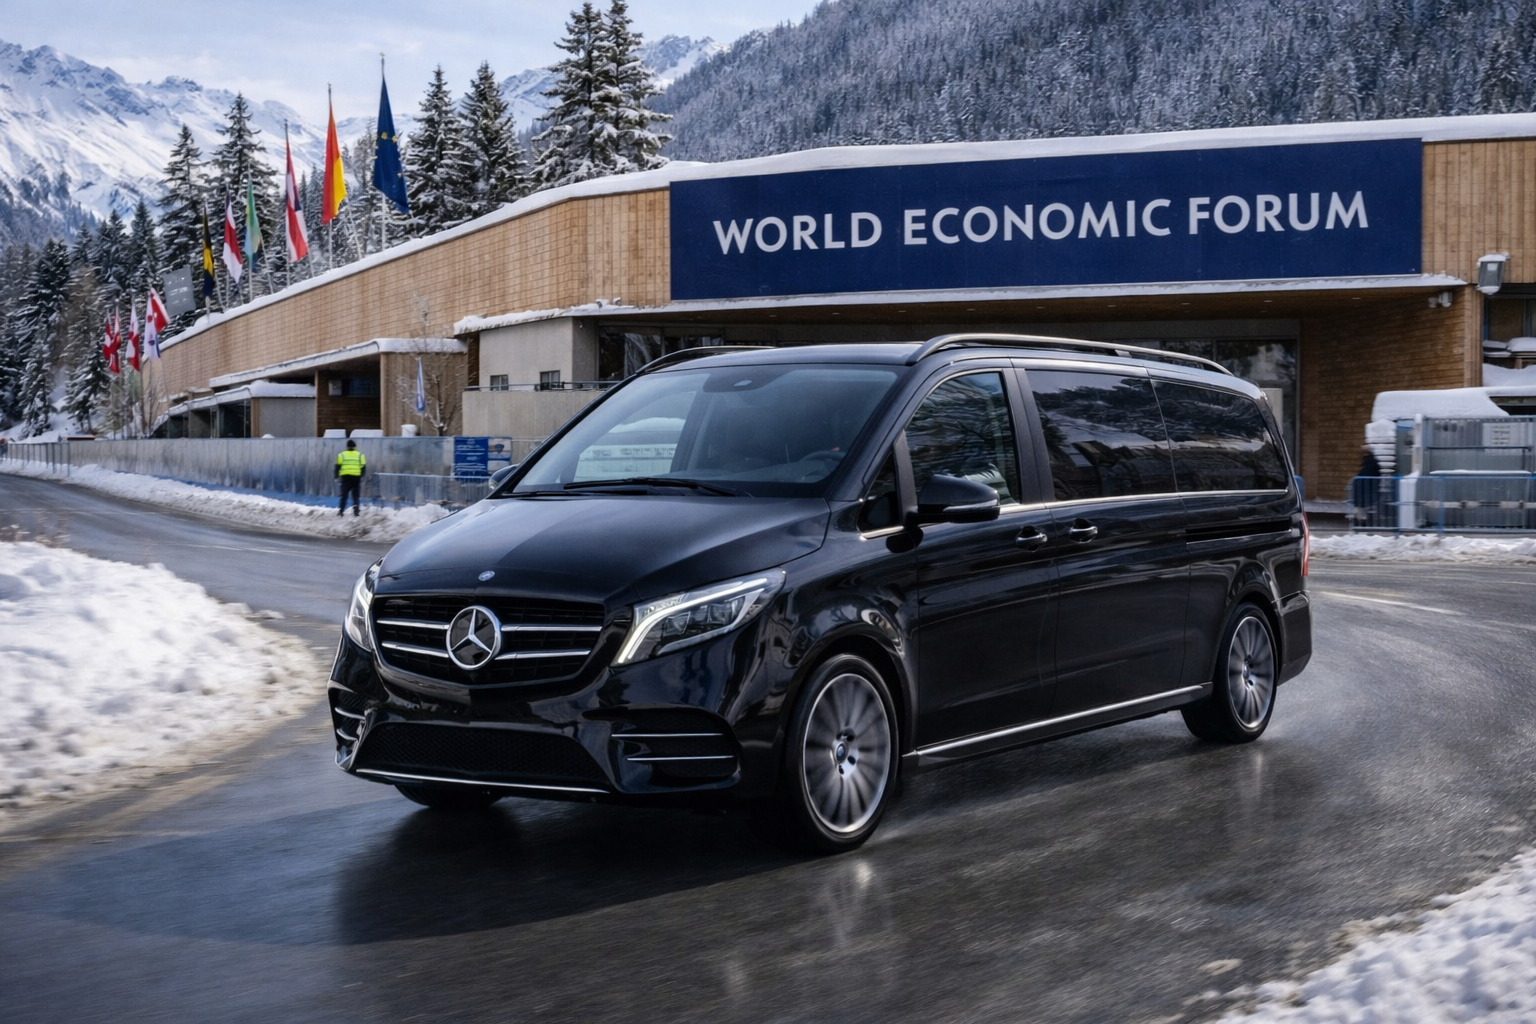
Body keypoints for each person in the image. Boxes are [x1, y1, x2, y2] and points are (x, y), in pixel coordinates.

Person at [1352, 444, 1382, 526]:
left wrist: (1357, 480)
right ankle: (1362, 519)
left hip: (1364, 485)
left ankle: (1360, 519)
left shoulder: (1369, 462)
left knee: (1360, 503)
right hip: (1366, 485)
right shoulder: (1372, 461)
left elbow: (1365, 473)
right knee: (1363, 503)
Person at [336, 439, 366, 516]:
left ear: (347, 446)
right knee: (356, 496)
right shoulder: (360, 455)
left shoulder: (341, 455)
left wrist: (336, 476)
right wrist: (362, 475)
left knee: (344, 495)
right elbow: (363, 467)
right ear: (355, 447)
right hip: (356, 478)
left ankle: (341, 511)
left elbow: (338, 466)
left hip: (345, 478)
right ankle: (356, 512)